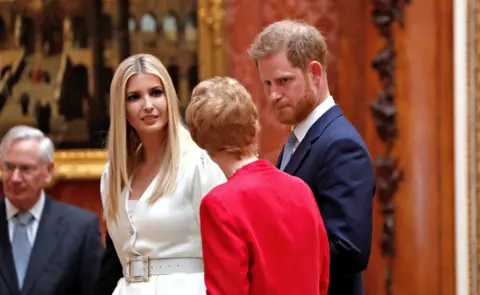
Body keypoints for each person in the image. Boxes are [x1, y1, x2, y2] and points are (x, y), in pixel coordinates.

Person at [248, 19, 376, 295]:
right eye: (267, 83)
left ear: (315, 73)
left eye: (284, 81)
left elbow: (349, 250)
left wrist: (268, 258)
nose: (273, 95)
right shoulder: (301, 138)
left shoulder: (341, 145)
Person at [185, 76, 330, 295]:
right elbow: (322, 275)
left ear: (200, 140)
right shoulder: (300, 188)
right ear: (254, 126)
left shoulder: (219, 204)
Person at [97, 53, 226, 295]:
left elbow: (226, 249)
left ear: (169, 97)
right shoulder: (112, 175)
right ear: (121, 108)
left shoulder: (198, 164)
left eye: (156, 93)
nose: (148, 105)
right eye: (134, 97)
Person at [0, 125, 103, 295]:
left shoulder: (80, 229)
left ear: (49, 171)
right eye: (9, 167)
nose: (15, 178)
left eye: (26, 169)